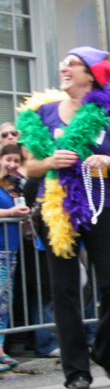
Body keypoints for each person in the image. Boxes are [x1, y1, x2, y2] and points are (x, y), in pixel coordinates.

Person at [18, 46, 110, 389]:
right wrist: (50, 162)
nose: (64, 68)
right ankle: (76, 371)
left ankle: (102, 349)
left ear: (91, 74)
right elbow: (28, 166)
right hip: (58, 210)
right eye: (63, 63)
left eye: (73, 64)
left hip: (100, 208)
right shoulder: (43, 114)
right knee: (65, 290)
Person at [0, 144, 27, 372]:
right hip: (0, 251)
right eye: (8, 159)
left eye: (16, 161)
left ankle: (0, 352)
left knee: (4, 304)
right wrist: (10, 213)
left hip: (11, 251)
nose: (12, 164)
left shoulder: (13, 186)